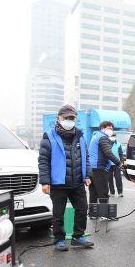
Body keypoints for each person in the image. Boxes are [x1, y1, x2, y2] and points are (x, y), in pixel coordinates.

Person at [38, 104, 94, 251]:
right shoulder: (49, 137)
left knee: (82, 209)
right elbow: (43, 160)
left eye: (72, 118)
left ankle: (78, 237)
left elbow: (85, 158)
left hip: (77, 182)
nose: (69, 120)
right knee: (58, 212)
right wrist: (45, 181)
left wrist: (87, 174)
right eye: (66, 118)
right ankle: (59, 240)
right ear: (59, 118)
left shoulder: (80, 136)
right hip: (58, 182)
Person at [88, 121, 123, 217]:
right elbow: (108, 152)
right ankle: (105, 215)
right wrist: (119, 163)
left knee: (94, 192)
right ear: (102, 128)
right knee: (103, 191)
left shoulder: (96, 136)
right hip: (99, 168)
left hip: (92, 167)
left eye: (112, 129)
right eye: (109, 128)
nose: (111, 130)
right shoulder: (102, 137)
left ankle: (93, 214)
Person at [107, 131, 125, 197]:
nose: (113, 137)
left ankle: (120, 192)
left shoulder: (118, 144)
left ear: (115, 136)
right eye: (111, 136)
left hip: (116, 164)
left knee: (118, 178)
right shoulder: (106, 144)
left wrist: (121, 163)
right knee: (109, 179)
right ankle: (112, 192)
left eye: (114, 136)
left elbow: (121, 154)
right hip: (108, 164)